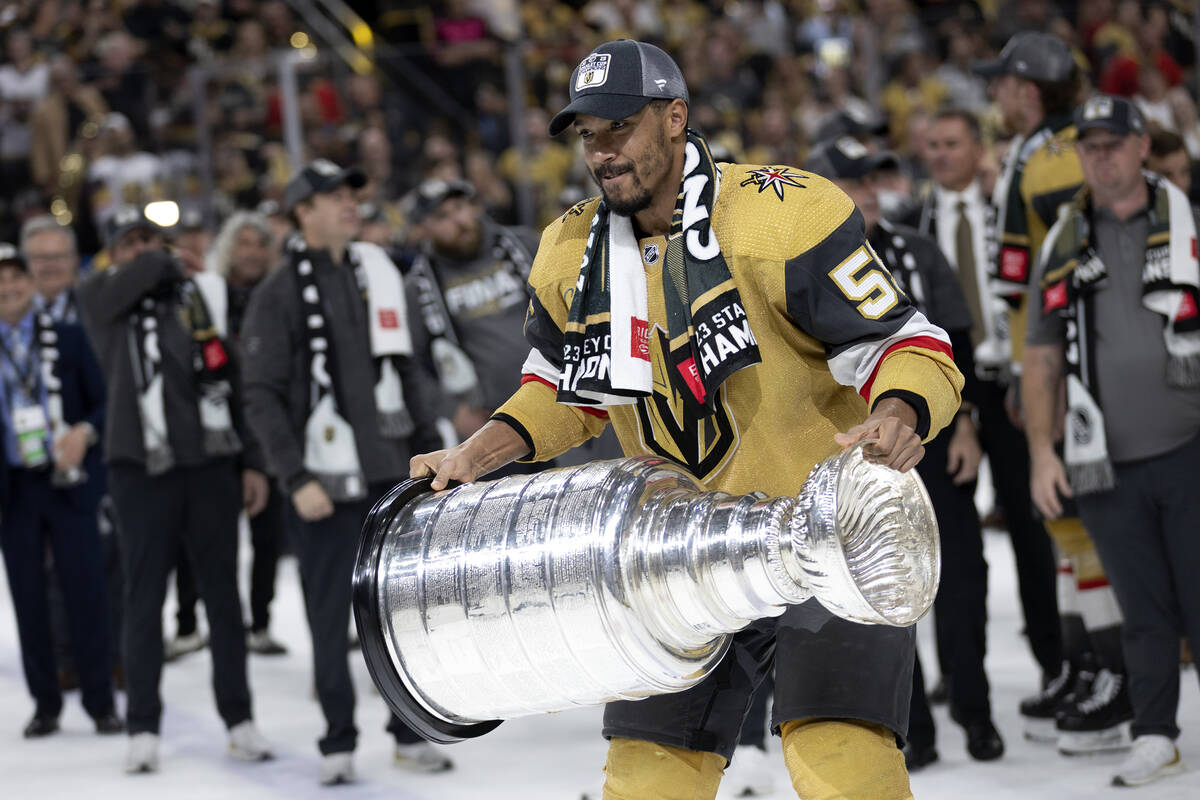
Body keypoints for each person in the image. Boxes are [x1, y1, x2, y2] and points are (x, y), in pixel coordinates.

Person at [411, 40, 964, 800]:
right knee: (646, 781)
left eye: (620, 128)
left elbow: (906, 343)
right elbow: (567, 394)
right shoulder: (568, 249)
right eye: (588, 135)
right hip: (673, 552)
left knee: (840, 764)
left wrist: (898, 411)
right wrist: (475, 454)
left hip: (819, 530)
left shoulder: (784, 212)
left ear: (676, 119)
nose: (601, 153)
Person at [240, 161, 453, 785]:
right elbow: (260, 394)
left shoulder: (380, 271)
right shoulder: (278, 292)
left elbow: (408, 370)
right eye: (333, 197)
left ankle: (408, 734)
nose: (348, 205)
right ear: (301, 212)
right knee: (328, 622)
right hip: (322, 490)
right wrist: (294, 477)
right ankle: (337, 738)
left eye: (352, 194)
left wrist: (429, 450)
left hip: (390, 476)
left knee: (402, 616)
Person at [1024, 94, 1200, 789]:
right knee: (1142, 611)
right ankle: (1156, 734)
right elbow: (1040, 356)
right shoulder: (1061, 241)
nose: (1101, 156)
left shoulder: (1187, 224)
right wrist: (1042, 450)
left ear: (1141, 148)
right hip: (1103, 462)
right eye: (1088, 145)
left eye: (1113, 143)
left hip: (1190, 447)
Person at [809, 136, 1002, 768]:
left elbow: (960, 341)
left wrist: (967, 426)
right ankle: (911, 725)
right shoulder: (802, 262)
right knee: (882, 587)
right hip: (851, 459)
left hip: (933, 435)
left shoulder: (916, 250)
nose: (871, 191)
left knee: (963, 575)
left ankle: (975, 711)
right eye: (855, 181)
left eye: (875, 179)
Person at [977, 32, 1134, 753]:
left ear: (1029, 89)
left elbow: (1064, 269)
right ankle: (1085, 663)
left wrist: (1042, 368)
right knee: (1065, 523)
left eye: (1002, 83)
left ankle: (1115, 676)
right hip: (1039, 357)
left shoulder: (1056, 155)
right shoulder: (1038, 148)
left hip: (1068, 361)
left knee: (1086, 517)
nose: (995, 96)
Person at [78, 206, 273, 774]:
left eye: (151, 241)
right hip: (140, 470)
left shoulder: (197, 298)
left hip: (210, 465)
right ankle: (142, 725)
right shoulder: (100, 299)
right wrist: (162, 259)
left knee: (223, 601)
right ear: (115, 253)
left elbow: (233, 380)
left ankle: (239, 718)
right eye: (130, 242)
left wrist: (253, 463)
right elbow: (130, 279)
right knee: (144, 600)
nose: (143, 251)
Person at [0, 243, 122, 739]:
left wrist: (84, 434)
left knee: (86, 592)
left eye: (16, 280)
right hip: (13, 489)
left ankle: (99, 702)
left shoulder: (69, 339)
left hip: (69, 482)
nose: (8, 290)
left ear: (32, 284)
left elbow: (104, 405)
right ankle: (45, 703)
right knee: (27, 598)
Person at [170, 212, 290, 657]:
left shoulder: (282, 295)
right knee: (197, 533)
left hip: (268, 426)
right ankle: (187, 623)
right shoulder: (203, 292)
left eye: (261, 244)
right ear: (227, 248)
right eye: (244, 243)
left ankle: (259, 622)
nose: (253, 252)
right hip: (213, 426)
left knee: (267, 534)